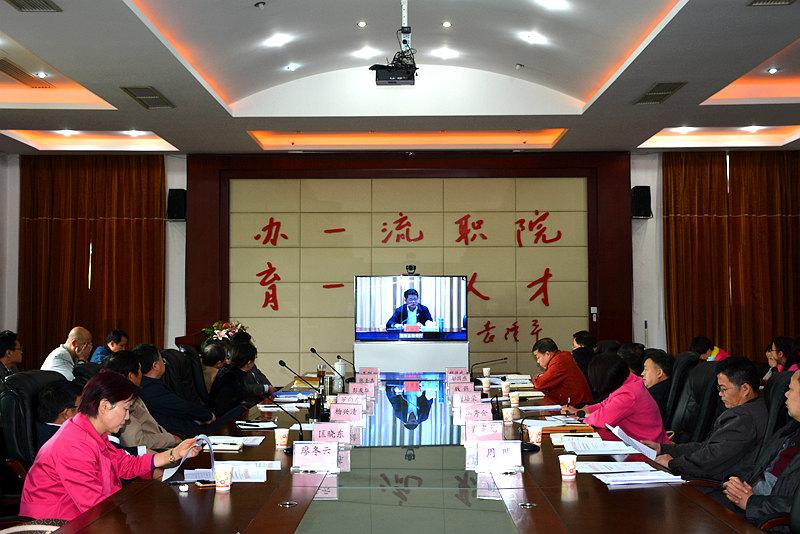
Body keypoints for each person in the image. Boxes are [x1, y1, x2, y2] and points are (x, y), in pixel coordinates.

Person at [20, 370, 202, 521]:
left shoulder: (89, 430)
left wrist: (174, 453)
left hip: (87, 517)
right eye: (126, 409)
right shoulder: (73, 445)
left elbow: (123, 464)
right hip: (56, 524)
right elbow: (95, 508)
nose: (127, 417)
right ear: (105, 406)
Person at [645, 357, 767, 481]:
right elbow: (706, 447)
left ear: (745, 389)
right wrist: (663, 448)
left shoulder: (743, 418)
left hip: (715, 484)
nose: (720, 394)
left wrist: (673, 463)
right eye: (719, 389)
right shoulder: (753, 407)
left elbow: (710, 459)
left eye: (724, 389)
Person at [718, 370, 800, 529]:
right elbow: (758, 468)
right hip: (751, 502)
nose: (786, 395)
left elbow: (795, 509)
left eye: (791, 389)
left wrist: (751, 502)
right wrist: (737, 482)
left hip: (769, 520)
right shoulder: (790, 430)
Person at [563, 353, 669, 444]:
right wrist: (580, 411)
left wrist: (580, 415)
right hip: (637, 442)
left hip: (647, 448)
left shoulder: (629, 394)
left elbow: (601, 419)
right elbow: (604, 405)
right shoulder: (629, 381)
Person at [104, 350, 179, 451]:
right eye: (139, 370)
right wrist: (171, 439)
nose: (141, 375)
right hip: (153, 452)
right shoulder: (123, 403)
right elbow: (136, 442)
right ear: (131, 376)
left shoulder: (132, 394)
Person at [208, 342, 270, 416]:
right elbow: (226, 404)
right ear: (249, 362)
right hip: (223, 417)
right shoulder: (231, 376)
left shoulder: (230, 370)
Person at [532, 338, 592, 406]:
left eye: (538, 357)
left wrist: (536, 377)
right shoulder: (560, 357)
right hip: (573, 402)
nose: (538, 361)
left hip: (579, 406)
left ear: (547, 354)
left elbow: (540, 384)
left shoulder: (559, 361)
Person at [35, 381, 82, 451]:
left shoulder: (40, 427)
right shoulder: (66, 443)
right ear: (67, 413)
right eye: (82, 407)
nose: (86, 410)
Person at [641, 349, 674, 424]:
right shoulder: (669, 387)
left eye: (646, 369)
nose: (642, 373)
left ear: (659, 373)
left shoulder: (654, 395)